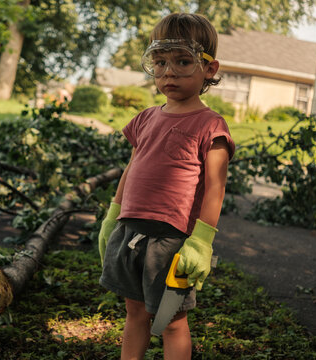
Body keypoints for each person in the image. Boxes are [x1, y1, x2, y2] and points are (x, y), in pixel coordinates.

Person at [98, 13, 235, 360]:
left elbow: (216, 186)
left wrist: (201, 242)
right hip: (130, 230)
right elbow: (131, 168)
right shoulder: (145, 118)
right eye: (159, 62)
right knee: (135, 313)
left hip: (173, 239)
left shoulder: (211, 124)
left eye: (183, 61)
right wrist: (112, 217)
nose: (169, 71)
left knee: (172, 321)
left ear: (209, 68)